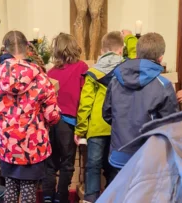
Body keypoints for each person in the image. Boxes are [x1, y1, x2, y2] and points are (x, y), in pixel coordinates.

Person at [0, 30, 60, 203]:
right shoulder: (40, 77)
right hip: (33, 146)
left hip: (8, 144)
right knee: (28, 191)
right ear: (28, 47)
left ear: (5, 49)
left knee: (10, 188)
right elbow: (52, 114)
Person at [74, 31, 137, 203]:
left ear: (102, 51)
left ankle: (90, 198)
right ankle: (114, 197)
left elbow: (85, 102)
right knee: (115, 166)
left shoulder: (93, 71)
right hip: (120, 126)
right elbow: (137, 56)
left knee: (92, 166)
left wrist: (81, 129)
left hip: (97, 126)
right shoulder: (128, 69)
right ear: (120, 50)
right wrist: (130, 38)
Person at [102, 32, 179, 172]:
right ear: (160, 58)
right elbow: (171, 126)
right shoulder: (163, 85)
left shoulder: (115, 80)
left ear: (137, 54)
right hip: (147, 157)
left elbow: (107, 114)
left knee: (120, 193)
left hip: (119, 153)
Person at [41, 33, 88, 203]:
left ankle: (47, 197)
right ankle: (61, 198)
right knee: (67, 163)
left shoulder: (51, 72)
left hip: (50, 121)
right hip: (68, 122)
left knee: (50, 163)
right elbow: (85, 96)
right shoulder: (82, 67)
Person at [97, 111, 182, 202]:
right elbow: (168, 110)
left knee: (118, 185)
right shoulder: (163, 146)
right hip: (145, 149)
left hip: (123, 147)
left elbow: (106, 113)